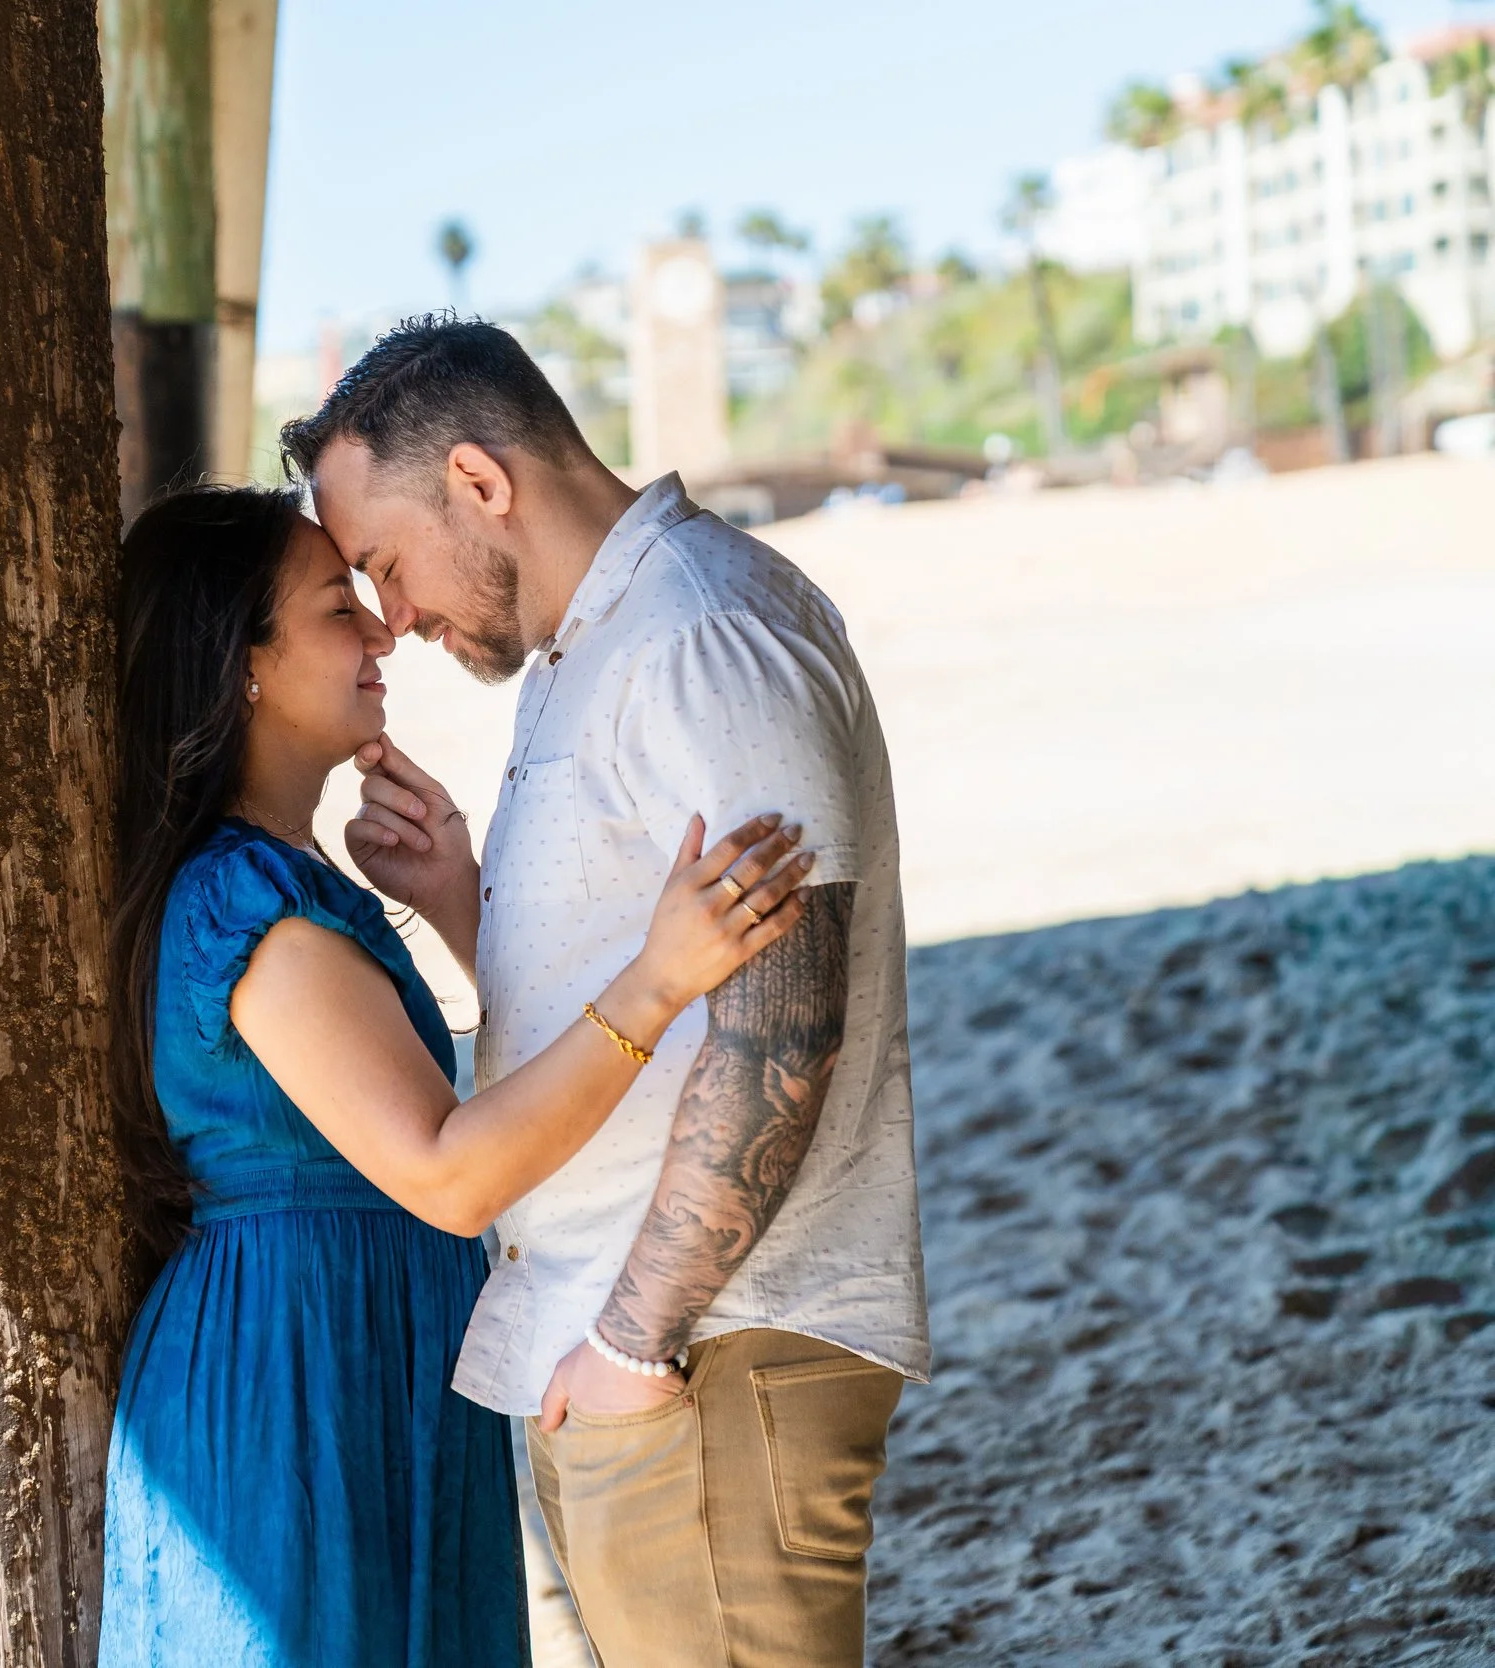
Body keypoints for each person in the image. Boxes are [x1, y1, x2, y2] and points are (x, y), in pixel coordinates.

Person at [284, 314, 929, 1667]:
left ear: (478, 480)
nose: (392, 616)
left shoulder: (701, 635)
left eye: (386, 563)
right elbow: (668, 985)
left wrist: (635, 1349)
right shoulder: (595, 646)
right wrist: (467, 899)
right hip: (652, 1349)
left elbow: (779, 1028)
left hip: (709, 1355)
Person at [98, 483, 815, 1667]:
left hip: (358, 1347)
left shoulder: (289, 884)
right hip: (298, 1376)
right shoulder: (244, 902)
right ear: (244, 669)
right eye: (338, 607)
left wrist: (454, 900)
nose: (382, 631)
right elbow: (450, 1174)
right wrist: (657, 977)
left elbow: (487, 1125)